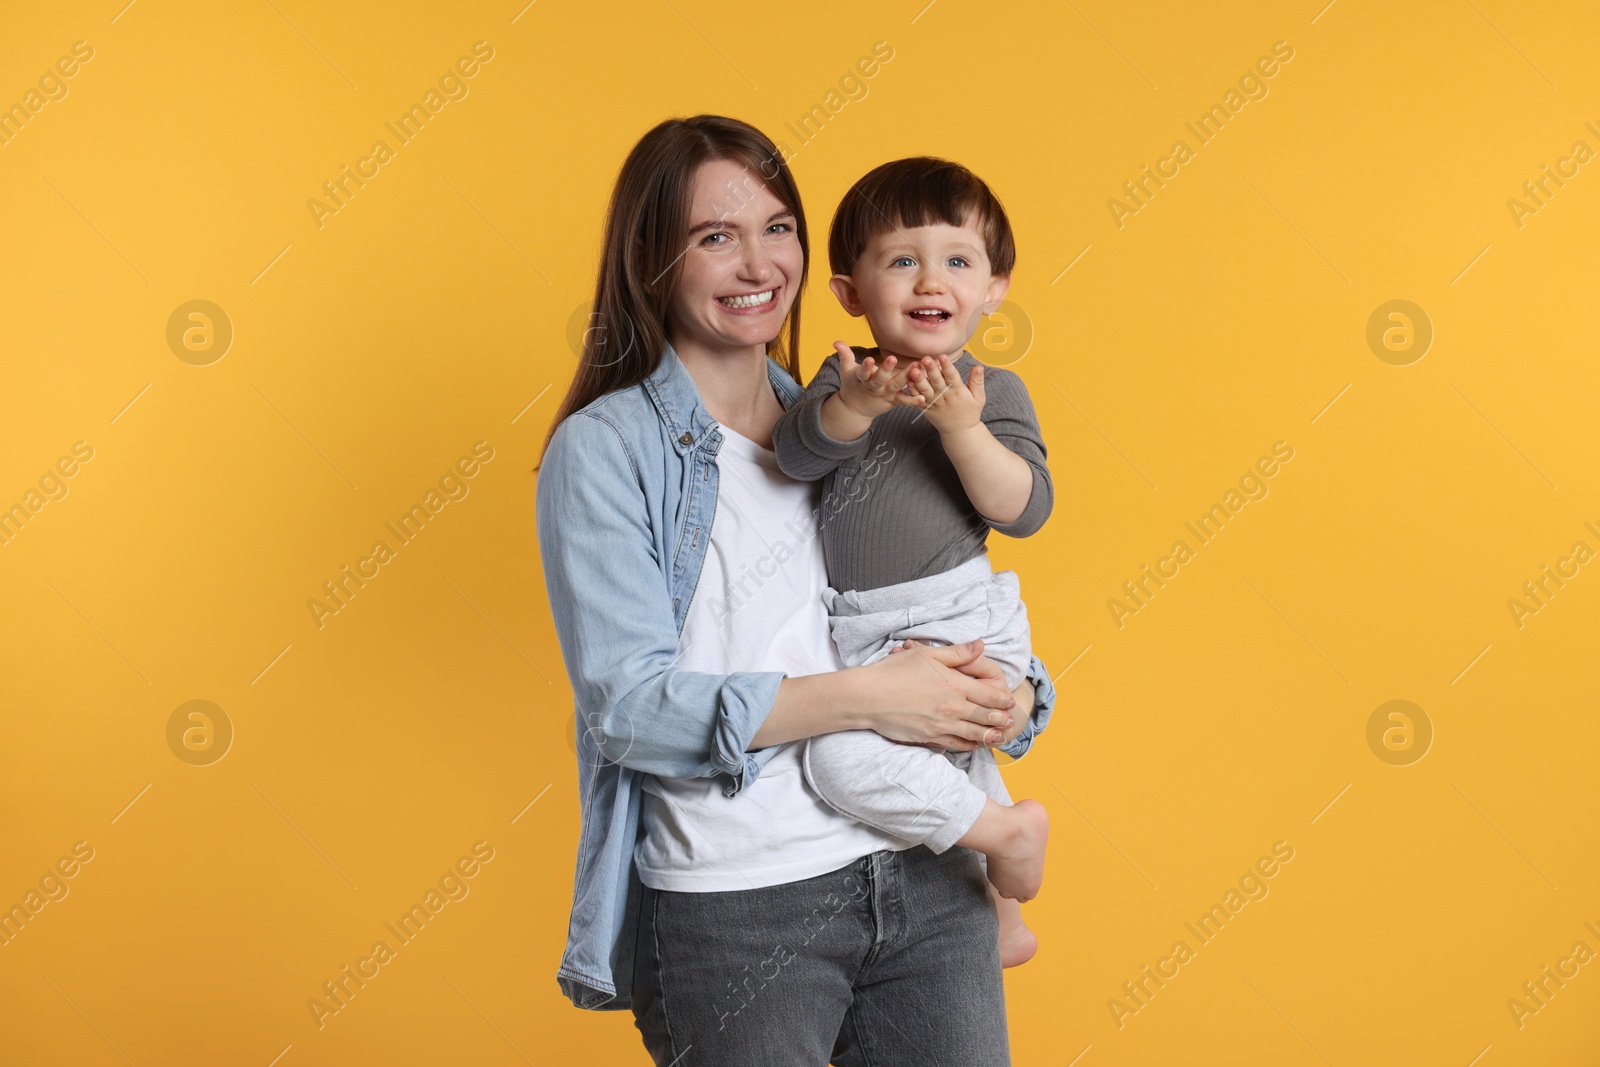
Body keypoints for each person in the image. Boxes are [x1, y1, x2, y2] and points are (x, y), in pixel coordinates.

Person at [536, 115, 1058, 1065]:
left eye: (777, 228)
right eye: (714, 235)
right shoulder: (606, 452)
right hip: (739, 903)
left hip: (928, 869)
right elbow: (629, 709)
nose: (757, 263)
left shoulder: (858, 414)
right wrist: (870, 698)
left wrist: (1014, 698)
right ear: (653, 256)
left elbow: (935, 587)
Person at [770, 157, 1052, 968]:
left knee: (852, 756)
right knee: (941, 756)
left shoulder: (991, 390)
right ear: (852, 292)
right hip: (866, 632)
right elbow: (795, 456)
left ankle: (1001, 847)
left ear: (995, 287)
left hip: (964, 616)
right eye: (902, 261)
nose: (931, 280)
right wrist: (855, 403)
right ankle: (1001, 897)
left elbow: (1023, 507)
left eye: (958, 262)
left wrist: (963, 427)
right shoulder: (844, 377)